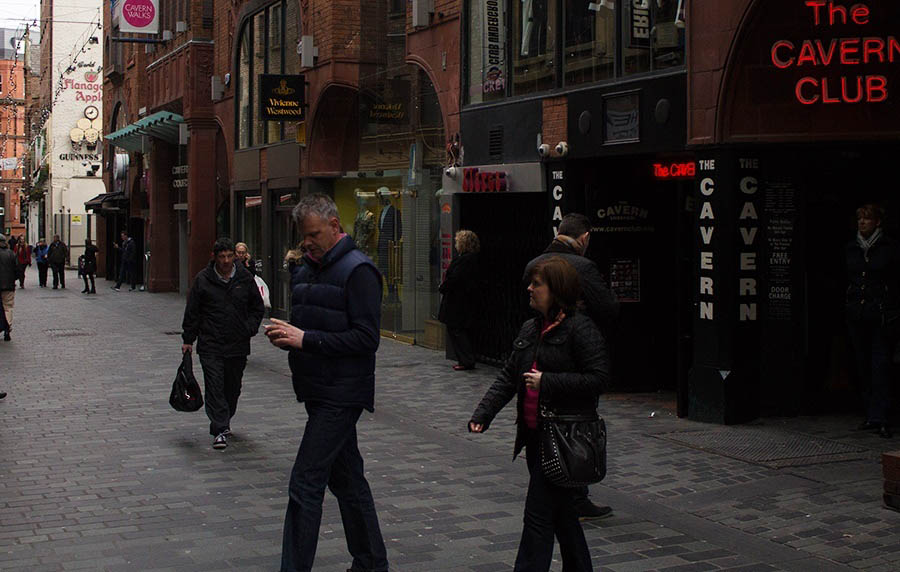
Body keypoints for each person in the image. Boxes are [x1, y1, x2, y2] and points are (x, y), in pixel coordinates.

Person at [265, 193, 388, 572]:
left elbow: (367, 339)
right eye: (304, 236)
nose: (308, 241)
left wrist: (306, 340)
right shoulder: (307, 269)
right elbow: (312, 323)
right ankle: (371, 562)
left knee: (305, 483)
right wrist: (288, 335)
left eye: (315, 234)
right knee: (349, 481)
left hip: (342, 392)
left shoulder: (359, 271)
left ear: (335, 226)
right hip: (317, 390)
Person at [469, 257, 608, 572]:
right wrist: (484, 413)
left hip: (564, 440)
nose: (529, 289)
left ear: (556, 290)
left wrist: (549, 381)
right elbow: (508, 377)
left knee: (537, 517)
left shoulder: (580, 328)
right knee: (562, 515)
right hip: (536, 438)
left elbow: (599, 379)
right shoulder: (531, 328)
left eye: (537, 284)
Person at [524, 213, 619, 520]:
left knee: (544, 419)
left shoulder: (534, 263)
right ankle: (575, 491)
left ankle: (551, 480)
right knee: (577, 424)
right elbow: (608, 308)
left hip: (540, 353)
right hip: (575, 359)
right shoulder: (584, 266)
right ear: (585, 238)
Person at [181, 237, 265, 450]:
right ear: (215, 257)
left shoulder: (245, 278)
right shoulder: (203, 280)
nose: (226, 261)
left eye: (229, 256)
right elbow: (193, 311)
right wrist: (188, 339)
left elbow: (257, 307)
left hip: (237, 343)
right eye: (222, 257)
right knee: (215, 385)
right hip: (211, 343)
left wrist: (249, 328)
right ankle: (219, 428)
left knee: (232, 387)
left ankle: (225, 417)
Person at [845, 204, 899, 439]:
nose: (862, 223)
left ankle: (882, 416)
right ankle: (870, 414)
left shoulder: (889, 248)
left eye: (867, 219)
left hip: (881, 315)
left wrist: (891, 308)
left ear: (877, 222)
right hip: (858, 313)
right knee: (863, 365)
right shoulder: (851, 247)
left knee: (880, 365)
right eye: (859, 219)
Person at [439, 229, 481, 371]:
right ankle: (465, 359)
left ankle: (466, 360)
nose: (455, 244)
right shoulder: (466, 258)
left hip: (459, 302)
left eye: (457, 241)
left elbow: (456, 279)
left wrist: (443, 287)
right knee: (457, 330)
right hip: (459, 300)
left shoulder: (465, 260)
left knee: (457, 330)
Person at [0, 234, 17, 341]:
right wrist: (13, 279)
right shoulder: (11, 253)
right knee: (8, 307)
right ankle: (8, 328)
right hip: (9, 286)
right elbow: (17, 269)